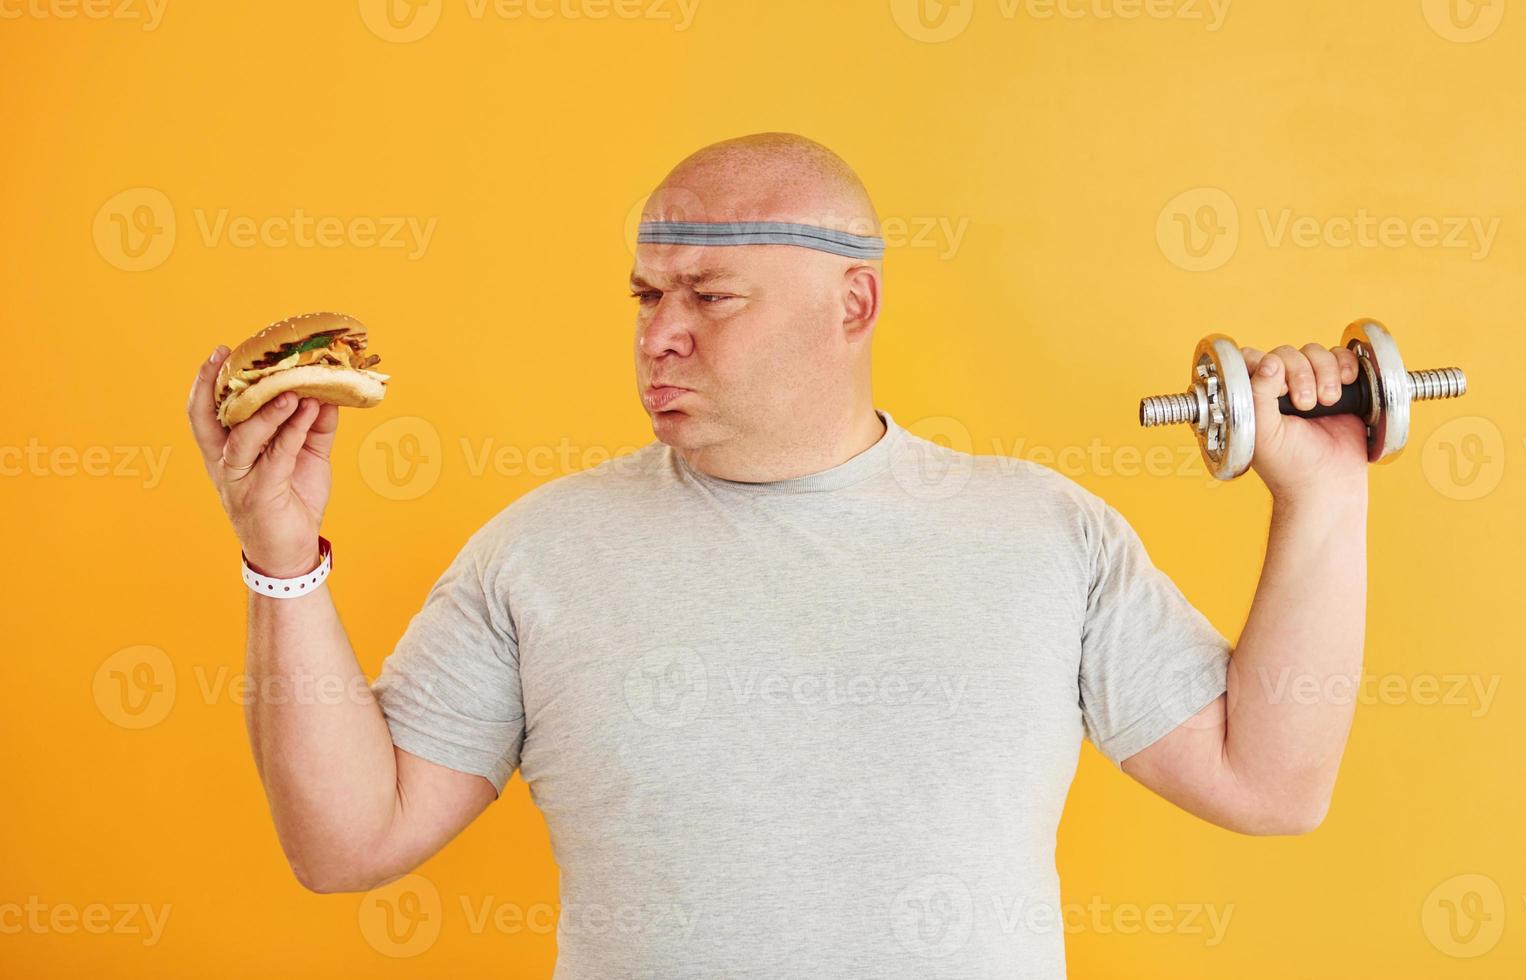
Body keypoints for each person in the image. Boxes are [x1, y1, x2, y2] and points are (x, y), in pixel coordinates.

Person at [185, 132, 1370, 978]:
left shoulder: (1042, 533)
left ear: (851, 306)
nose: (658, 333)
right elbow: (346, 842)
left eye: (709, 294)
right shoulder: (537, 554)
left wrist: (1317, 498)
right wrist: (280, 557)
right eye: (644, 294)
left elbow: (1265, 783)